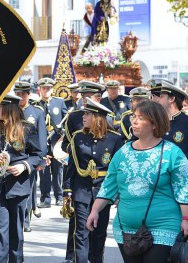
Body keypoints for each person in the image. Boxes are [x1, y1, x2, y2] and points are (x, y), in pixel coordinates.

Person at [87, 100, 188, 263]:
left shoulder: (173, 153)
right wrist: (95, 211)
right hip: (126, 229)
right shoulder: (122, 153)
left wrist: (186, 219)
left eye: (141, 118)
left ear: (154, 124)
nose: (134, 121)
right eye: (134, 116)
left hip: (163, 227)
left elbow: (183, 189)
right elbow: (108, 187)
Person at [62, 97, 123, 263]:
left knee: (98, 233)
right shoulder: (77, 137)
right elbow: (72, 166)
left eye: (88, 114)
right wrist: (67, 190)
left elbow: (118, 171)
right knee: (81, 232)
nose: (83, 117)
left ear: (97, 118)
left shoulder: (114, 139)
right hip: (81, 189)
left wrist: (118, 194)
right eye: (84, 113)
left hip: (103, 192)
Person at [0, 93, 42, 263]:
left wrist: (23, 166)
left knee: (16, 232)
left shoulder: (26, 128)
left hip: (18, 187)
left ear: (8, 109)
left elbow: (37, 155)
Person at [60, 80, 105, 263]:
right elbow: (66, 144)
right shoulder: (74, 117)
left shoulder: (106, 119)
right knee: (79, 228)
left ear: (98, 98)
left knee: (98, 231)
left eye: (88, 97)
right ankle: (73, 256)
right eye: (83, 96)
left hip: (99, 185)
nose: (84, 100)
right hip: (79, 177)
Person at [157, 81, 188, 199]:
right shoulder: (156, 122)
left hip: (182, 181)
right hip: (159, 181)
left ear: (172, 98)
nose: (157, 99)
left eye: (161, 96)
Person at [13, 81, 48, 232]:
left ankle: (26, 221)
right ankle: (17, 219)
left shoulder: (37, 112)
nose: (20, 97)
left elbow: (41, 137)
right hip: (14, 155)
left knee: (29, 188)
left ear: (28, 94)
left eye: (22, 94)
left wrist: (41, 159)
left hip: (30, 157)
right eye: (17, 94)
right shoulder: (11, 110)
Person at [35, 77, 68, 210]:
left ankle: (59, 197)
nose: (46, 90)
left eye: (48, 88)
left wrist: (63, 130)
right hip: (42, 142)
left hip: (56, 141)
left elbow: (66, 120)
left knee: (57, 170)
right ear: (40, 89)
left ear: (52, 89)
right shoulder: (36, 104)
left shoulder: (59, 102)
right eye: (44, 88)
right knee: (43, 171)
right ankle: (45, 198)